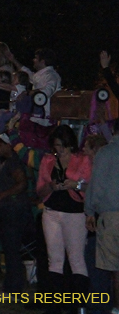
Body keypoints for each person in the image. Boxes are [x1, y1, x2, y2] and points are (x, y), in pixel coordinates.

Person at [37, 125, 92, 312]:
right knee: (55, 260)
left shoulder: (82, 160)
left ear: (70, 144)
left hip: (75, 212)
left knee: (76, 259)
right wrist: (51, 186)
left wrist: (75, 185)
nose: (59, 150)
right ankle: (55, 306)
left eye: (62, 146)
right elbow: (40, 189)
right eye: (56, 146)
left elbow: (90, 187)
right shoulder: (47, 160)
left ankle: (79, 306)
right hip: (52, 211)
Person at [0, 133, 34, 293]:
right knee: (10, 249)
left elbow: (21, 183)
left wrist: (1, 195)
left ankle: (13, 288)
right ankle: (13, 285)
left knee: (11, 250)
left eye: (0, 144)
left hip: (13, 211)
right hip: (8, 209)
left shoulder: (14, 162)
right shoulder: (7, 163)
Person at [85, 130, 119, 314]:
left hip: (112, 215)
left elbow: (96, 185)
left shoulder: (106, 153)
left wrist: (90, 210)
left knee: (115, 266)